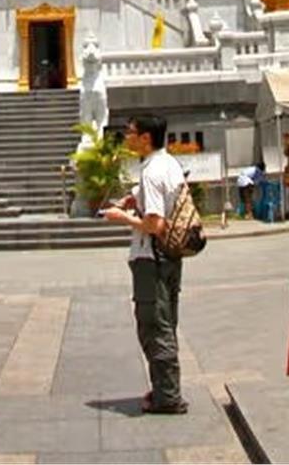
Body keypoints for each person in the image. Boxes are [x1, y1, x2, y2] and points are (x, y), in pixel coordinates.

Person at [103, 114, 188, 415]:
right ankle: (165, 388)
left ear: (145, 138)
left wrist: (121, 217)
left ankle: (168, 397)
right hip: (169, 258)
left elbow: (155, 224)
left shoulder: (151, 172)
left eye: (131, 132)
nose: (127, 137)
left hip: (151, 258)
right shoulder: (168, 164)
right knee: (165, 322)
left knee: (154, 326)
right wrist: (134, 198)